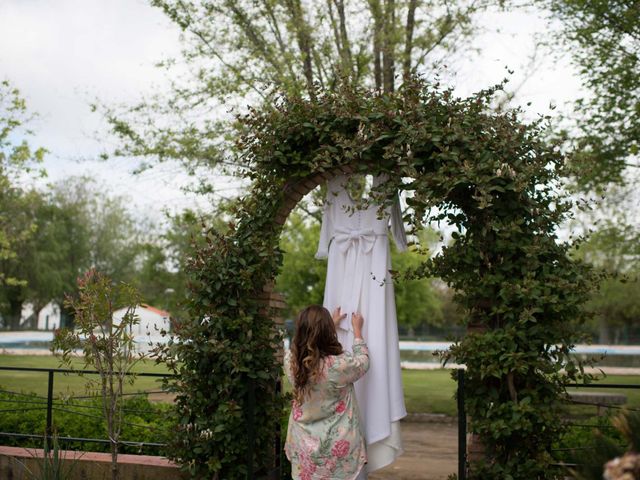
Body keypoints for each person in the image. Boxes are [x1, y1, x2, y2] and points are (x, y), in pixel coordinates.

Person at [284, 305, 370, 480]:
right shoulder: (339, 366)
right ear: (327, 331)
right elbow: (363, 362)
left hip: (303, 446)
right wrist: (357, 332)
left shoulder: (291, 362)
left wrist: (332, 325)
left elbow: (307, 351)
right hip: (336, 449)